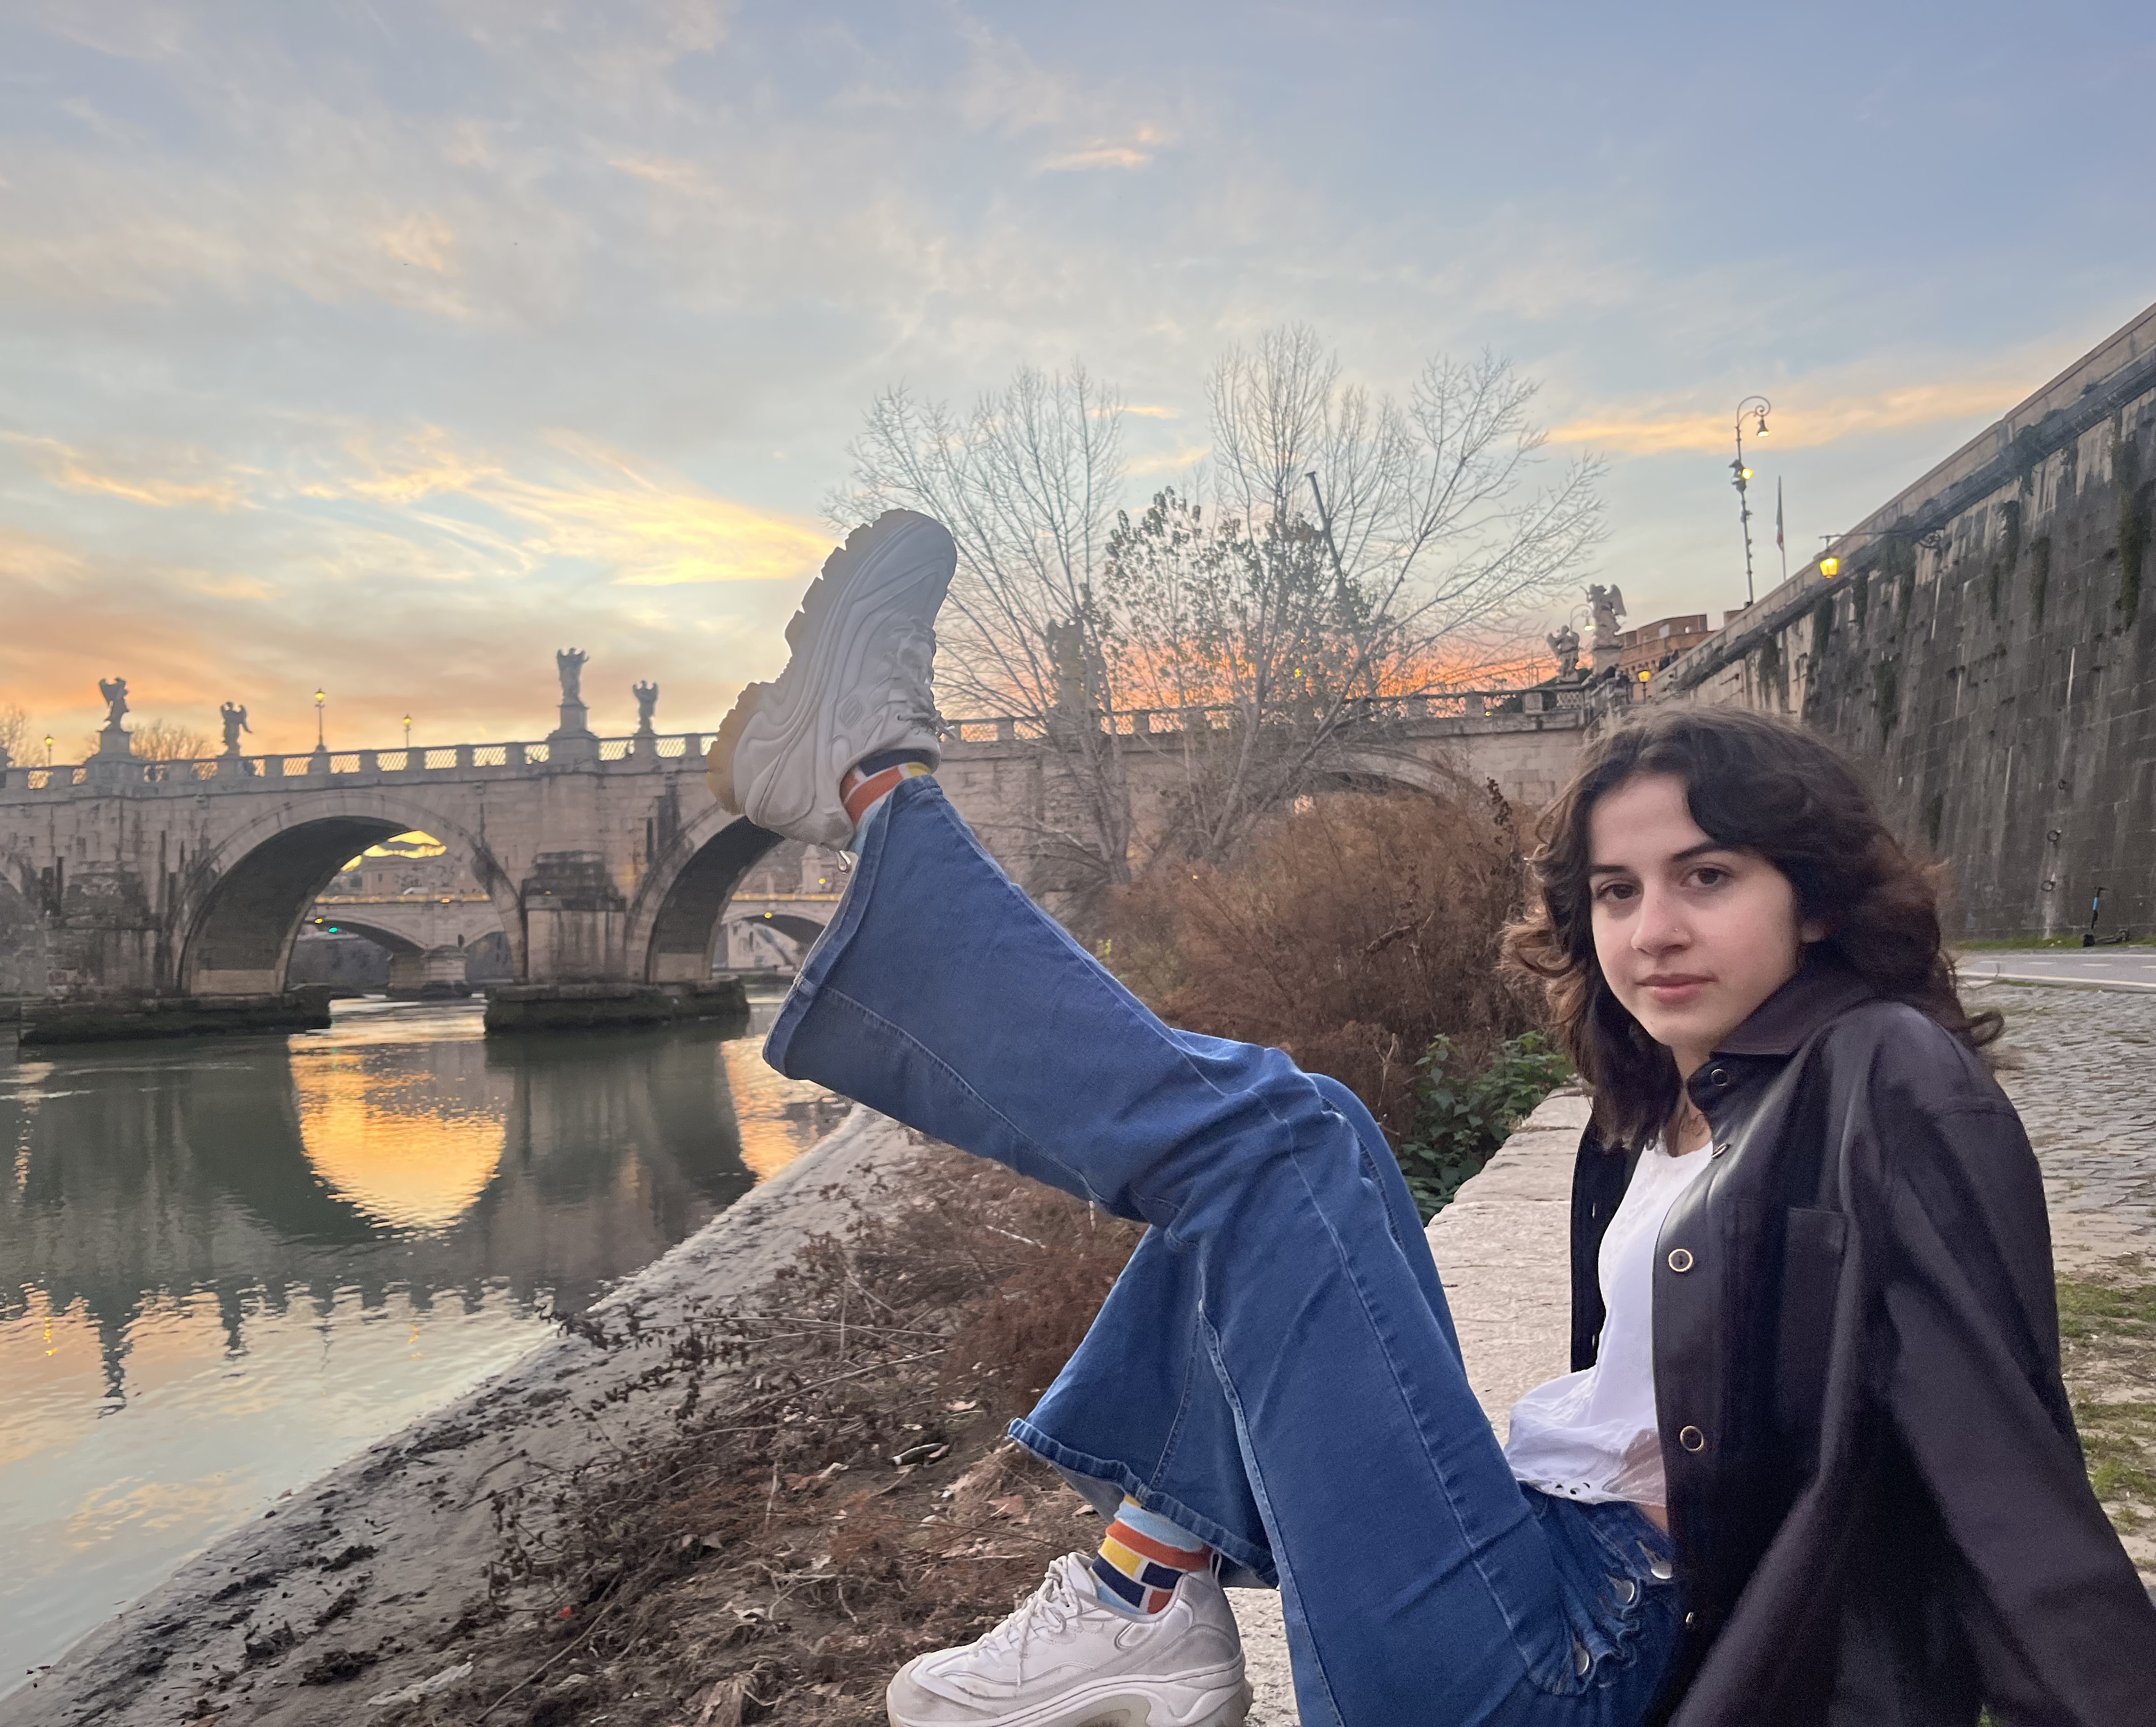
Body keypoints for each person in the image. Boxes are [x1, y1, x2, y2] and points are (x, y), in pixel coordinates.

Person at [707, 510, 2156, 1727]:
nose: (1651, 928)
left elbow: (2012, 1483)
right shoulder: (1653, 1119)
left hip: (1571, 1658)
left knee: (1277, 1141)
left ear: (1818, 895)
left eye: (1707, 877)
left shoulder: (1889, 1075)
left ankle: (878, 781)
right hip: (1515, 1593)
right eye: (1616, 890)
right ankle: (1146, 1583)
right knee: (1316, 1129)